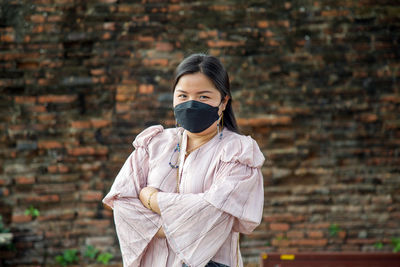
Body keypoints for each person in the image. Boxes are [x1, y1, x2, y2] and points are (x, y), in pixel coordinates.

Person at [102, 53, 265, 267]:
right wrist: (181, 223)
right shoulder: (154, 144)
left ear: (224, 102)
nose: (191, 104)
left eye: (203, 97)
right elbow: (123, 203)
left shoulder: (239, 153)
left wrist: (151, 199)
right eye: (182, 96)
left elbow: (214, 213)